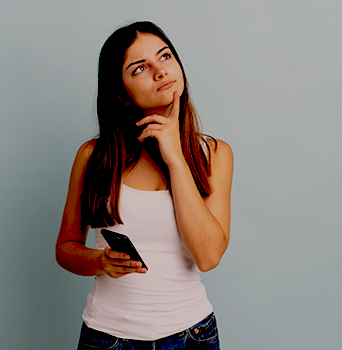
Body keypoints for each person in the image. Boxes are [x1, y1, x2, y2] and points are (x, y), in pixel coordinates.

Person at [56, 21, 233, 350]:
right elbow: (65, 248)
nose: (160, 71)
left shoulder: (214, 154)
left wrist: (176, 159)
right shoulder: (93, 156)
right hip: (107, 338)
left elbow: (208, 257)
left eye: (165, 57)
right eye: (140, 68)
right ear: (122, 93)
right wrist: (100, 261)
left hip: (192, 337)